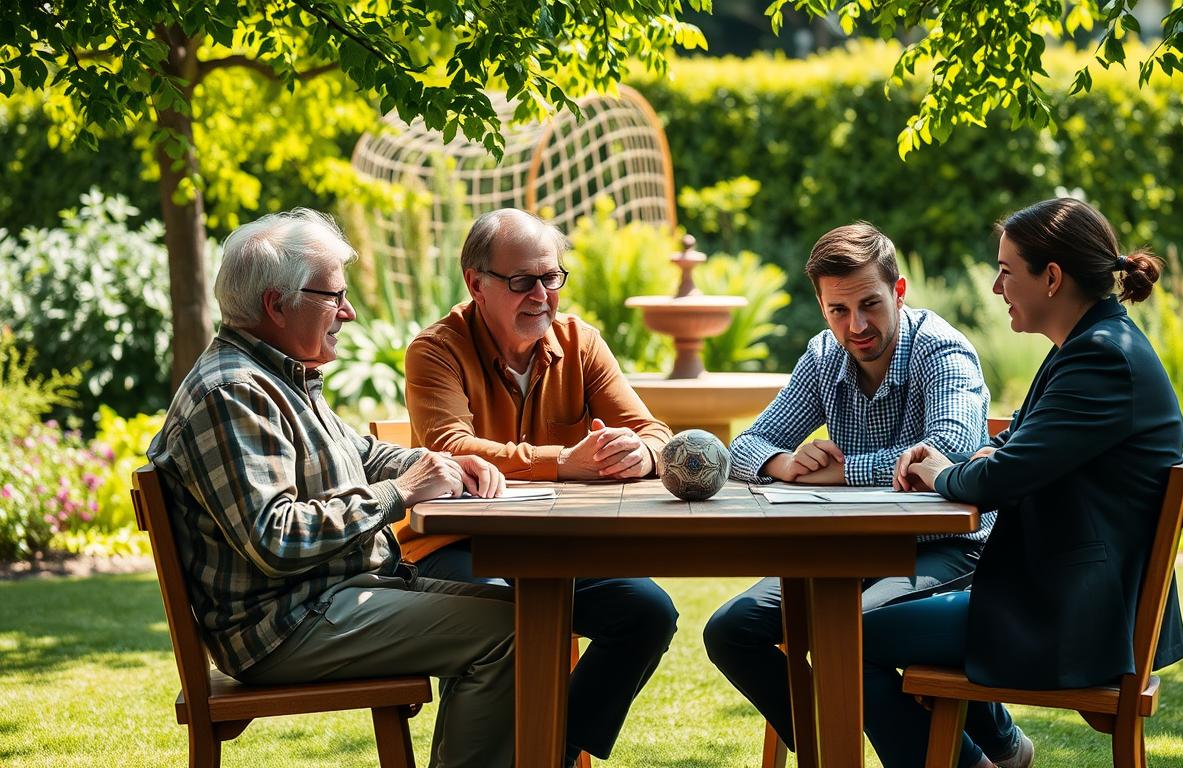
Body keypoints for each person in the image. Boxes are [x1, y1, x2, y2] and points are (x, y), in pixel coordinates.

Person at [146, 209, 516, 768]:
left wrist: (439, 463)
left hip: (327, 600)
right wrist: (402, 493)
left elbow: (360, 456)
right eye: (334, 296)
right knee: (512, 632)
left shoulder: (278, 375)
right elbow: (275, 537)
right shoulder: (232, 394)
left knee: (528, 614)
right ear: (277, 304)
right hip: (284, 625)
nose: (348, 311)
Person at [871, 198, 1183, 768]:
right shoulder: (1088, 346)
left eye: (1006, 270)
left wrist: (945, 472)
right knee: (860, 624)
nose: (996, 287)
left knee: (850, 633)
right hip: (1057, 601)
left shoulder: (1103, 359)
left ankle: (981, 761)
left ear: (1052, 277)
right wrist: (974, 462)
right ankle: (998, 752)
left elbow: (1005, 475)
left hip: (1066, 619)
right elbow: (1016, 445)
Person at [401, 208, 678, 767]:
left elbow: (655, 432)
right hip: (453, 549)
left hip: (556, 548)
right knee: (508, 613)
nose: (542, 295)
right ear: (476, 284)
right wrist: (563, 463)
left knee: (648, 611)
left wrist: (640, 452)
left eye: (551, 278)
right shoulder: (435, 350)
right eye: (522, 281)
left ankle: (551, 751)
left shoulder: (581, 342)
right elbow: (450, 447)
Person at [703, 221, 994, 752]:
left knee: (856, 631)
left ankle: (973, 758)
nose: (856, 325)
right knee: (731, 630)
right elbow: (743, 447)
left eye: (870, 305)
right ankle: (828, 747)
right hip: (849, 549)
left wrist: (841, 469)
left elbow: (946, 450)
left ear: (899, 292)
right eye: (838, 310)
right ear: (821, 307)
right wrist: (783, 461)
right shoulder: (822, 356)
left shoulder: (943, 350)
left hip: (949, 548)